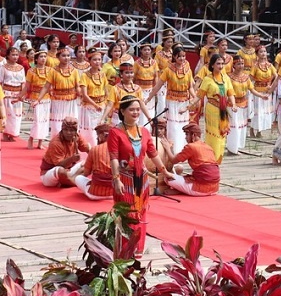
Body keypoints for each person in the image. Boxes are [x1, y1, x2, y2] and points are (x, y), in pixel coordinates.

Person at [108, 95, 174, 259]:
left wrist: (164, 171)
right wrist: (116, 179)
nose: (136, 112)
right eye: (132, 109)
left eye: (138, 109)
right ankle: (124, 251)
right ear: (123, 111)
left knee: (141, 213)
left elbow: (153, 154)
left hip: (141, 180)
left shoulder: (144, 132)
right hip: (125, 179)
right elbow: (114, 158)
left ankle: (138, 249)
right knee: (127, 215)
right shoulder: (115, 133)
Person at [183, 54, 236, 163]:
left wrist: (234, 104)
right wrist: (188, 106)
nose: (221, 66)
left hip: (223, 109)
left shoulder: (226, 78)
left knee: (222, 133)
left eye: (222, 64)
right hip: (212, 109)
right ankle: (211, 158)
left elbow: (230, 93)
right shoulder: (207, 79)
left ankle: (217, 159)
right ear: (212, 65)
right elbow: (199, 96)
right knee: (214, 134)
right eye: (218, 64)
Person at [145, 46, 195, 154]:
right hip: (172, 102)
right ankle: (173, 151)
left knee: (183, 126)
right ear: (174, 57)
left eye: (183, 56)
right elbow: (158, 85)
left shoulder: (188, 70)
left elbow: (190, 87)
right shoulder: (168, 70)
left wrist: (195, 98)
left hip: (184, 101)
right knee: (173, 127)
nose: (182, 58)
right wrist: (149, 98)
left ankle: (184, 150)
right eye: (179, 56)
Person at [160, 123, 221, 196]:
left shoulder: (191, 147)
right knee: (180, 174)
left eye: (187, 135)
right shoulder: (208, 147)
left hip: (200, 189)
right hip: (215, 188)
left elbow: (173, 160)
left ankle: (183, 190)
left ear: (193, 135)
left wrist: (167, 148)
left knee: (167, 178)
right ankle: (183, 189)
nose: (185, 138)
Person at [32, 46, 80, 139]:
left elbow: (77, 86)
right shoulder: (53, 71)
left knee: (71, 123)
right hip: (58, 101)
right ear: (58, 57)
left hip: (71, 101)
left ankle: (71, 145)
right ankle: (57, 145)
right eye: (63, 56)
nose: (66, 58)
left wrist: (82, 96)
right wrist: (38, 100)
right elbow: (46, 87)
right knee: (58, 125)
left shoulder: (74, 71)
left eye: (68, 56)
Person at [226, 55, 267, 154]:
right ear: (234, 65)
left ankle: (238, 147)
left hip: (243, 104)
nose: (241, 66)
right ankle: (232, 148)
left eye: (242, 63)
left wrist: (261, 95)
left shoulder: (246, 77)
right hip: (232, 104)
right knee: (234, 126)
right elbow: (227, 92)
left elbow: (252, 89)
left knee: (242, 126)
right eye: (238, 64)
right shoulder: (229, 77)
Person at [40, 117, 90, 188]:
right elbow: (59, 165)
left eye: (71, 130)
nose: (68, 133)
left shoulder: (77, 137)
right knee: (61, 171)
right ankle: (75, 182)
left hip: (69, 171)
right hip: (50, 174)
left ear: (76, 131)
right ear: (62, 130)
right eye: (65, 130)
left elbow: (88, 149)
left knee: (89, 163)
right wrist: (71, 159)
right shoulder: (56, 143)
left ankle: (69, 180)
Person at [16, 51, 50, 149]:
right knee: (37, 120)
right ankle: (30, 139)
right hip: (34, 98)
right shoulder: (31, 71)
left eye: (45, 57)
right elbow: (26, 86)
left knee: (44, 120)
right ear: (36, 59)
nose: (43, 59)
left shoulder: (50, 70)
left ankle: (40, 142)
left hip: (46, 98)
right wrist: (20, 96)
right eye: (41, 57)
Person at [102, 62, 152, 127]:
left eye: (131, 73)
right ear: (121, 74)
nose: (129, 75)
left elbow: (142, 104)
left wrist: (149, 118)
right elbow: (109, 105)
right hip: (119, 117)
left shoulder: (137, 88)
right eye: (127, 73)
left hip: (133, 117)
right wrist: (103, 118)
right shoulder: (115, 88)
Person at [72, 124, 113, 200]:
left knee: (78, 178)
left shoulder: (94, 149)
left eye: (98, 135)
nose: (97, 138)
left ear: (103, 135)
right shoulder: (120, 148)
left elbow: (86, 173)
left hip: (95, 194)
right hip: (116, 194)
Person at [79, 48, 109, 147]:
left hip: (101, 106)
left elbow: (106, 91)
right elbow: (84, 95)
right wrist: (95, 105)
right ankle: (88, 153)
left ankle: (98, 152)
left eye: (99, 59)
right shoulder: (85, 75)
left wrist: (107, 104)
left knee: (100, 131)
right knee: (90, 132)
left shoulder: (102, 74)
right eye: (95, 60)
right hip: (89, 107)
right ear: (90, 61)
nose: (97, 62)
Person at [250, 44, 277, 138]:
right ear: (257, 54)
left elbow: (276, 76)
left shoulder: (270, 65)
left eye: (265, 51)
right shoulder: (255, 66)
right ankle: (252, 129)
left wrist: (271, 84)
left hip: (267, 91)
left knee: (264, 111)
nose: (263, 53)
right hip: (257, 91)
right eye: (261, 52)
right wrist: (251, 89)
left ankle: (259, 131)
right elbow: (251, 78)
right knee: (257, 111)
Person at [0, 47, 25, 142]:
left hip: (17, 94)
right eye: (13, 55)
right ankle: (6, 134)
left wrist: (22, 94)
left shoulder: (21, 68)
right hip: (7, 94)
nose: (15, 57)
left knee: (16, 115)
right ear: (8, 56)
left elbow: (23, 82)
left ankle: (13, 133)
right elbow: (0, 82)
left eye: (17, 55)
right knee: (8, 114)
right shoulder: (3, 67)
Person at [133, 43, 159, 120]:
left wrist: (155, 88)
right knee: (140, 109)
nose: (147, 52)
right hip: (140, 89)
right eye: (145, 50)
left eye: (148, 50)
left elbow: (156, 76)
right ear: (141, 51)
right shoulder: (136, 63)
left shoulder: (154, 63)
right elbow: (133, 77)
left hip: (150, 89)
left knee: (150, 110)